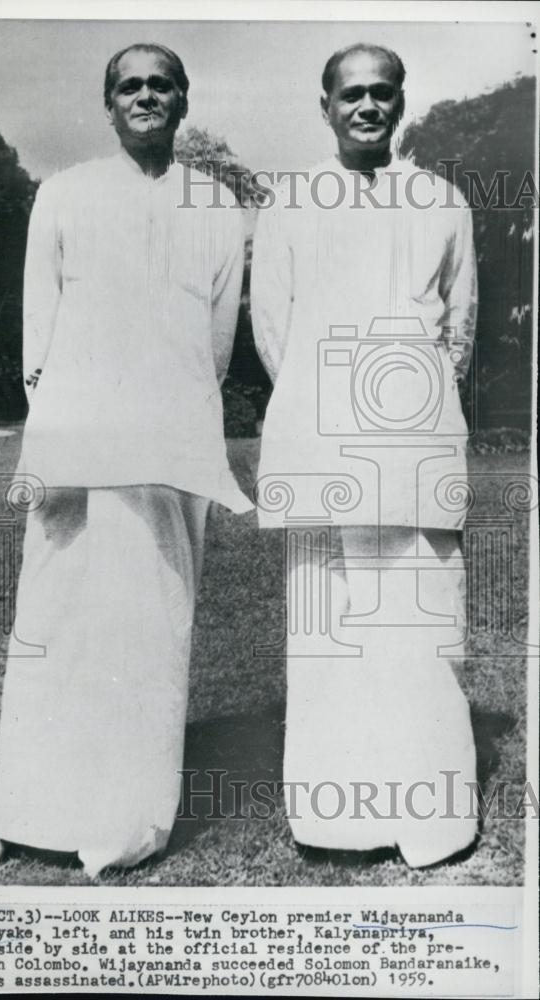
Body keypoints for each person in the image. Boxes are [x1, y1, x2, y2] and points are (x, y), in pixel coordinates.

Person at [0, 43, 251, 879]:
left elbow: (219, 340)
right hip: (76, 441)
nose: (146, 96)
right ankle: (15, 816)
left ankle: (127, 822)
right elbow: (37, 332)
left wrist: (171, 406)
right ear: (108, 102)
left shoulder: (218, 205)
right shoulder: (65, 193)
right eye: (130, 85)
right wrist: (61, 421)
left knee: (152, 622)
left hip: (169, 443)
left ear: (184, 100)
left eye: (162, 85)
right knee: (52, 622)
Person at [251, 44, 478, 867]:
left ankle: (432, 815)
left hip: (414, 446)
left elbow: (459, 327)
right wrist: (327, 404)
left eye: (383, 93)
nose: (368, 107)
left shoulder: (443, 201)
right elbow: (272, 328)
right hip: (320, 444)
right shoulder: (289, 202)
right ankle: (337, 818)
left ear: (402, 102)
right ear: (326, 106)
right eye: (352, 95)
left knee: (420, 628)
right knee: (332, 631)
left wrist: (407, 404)